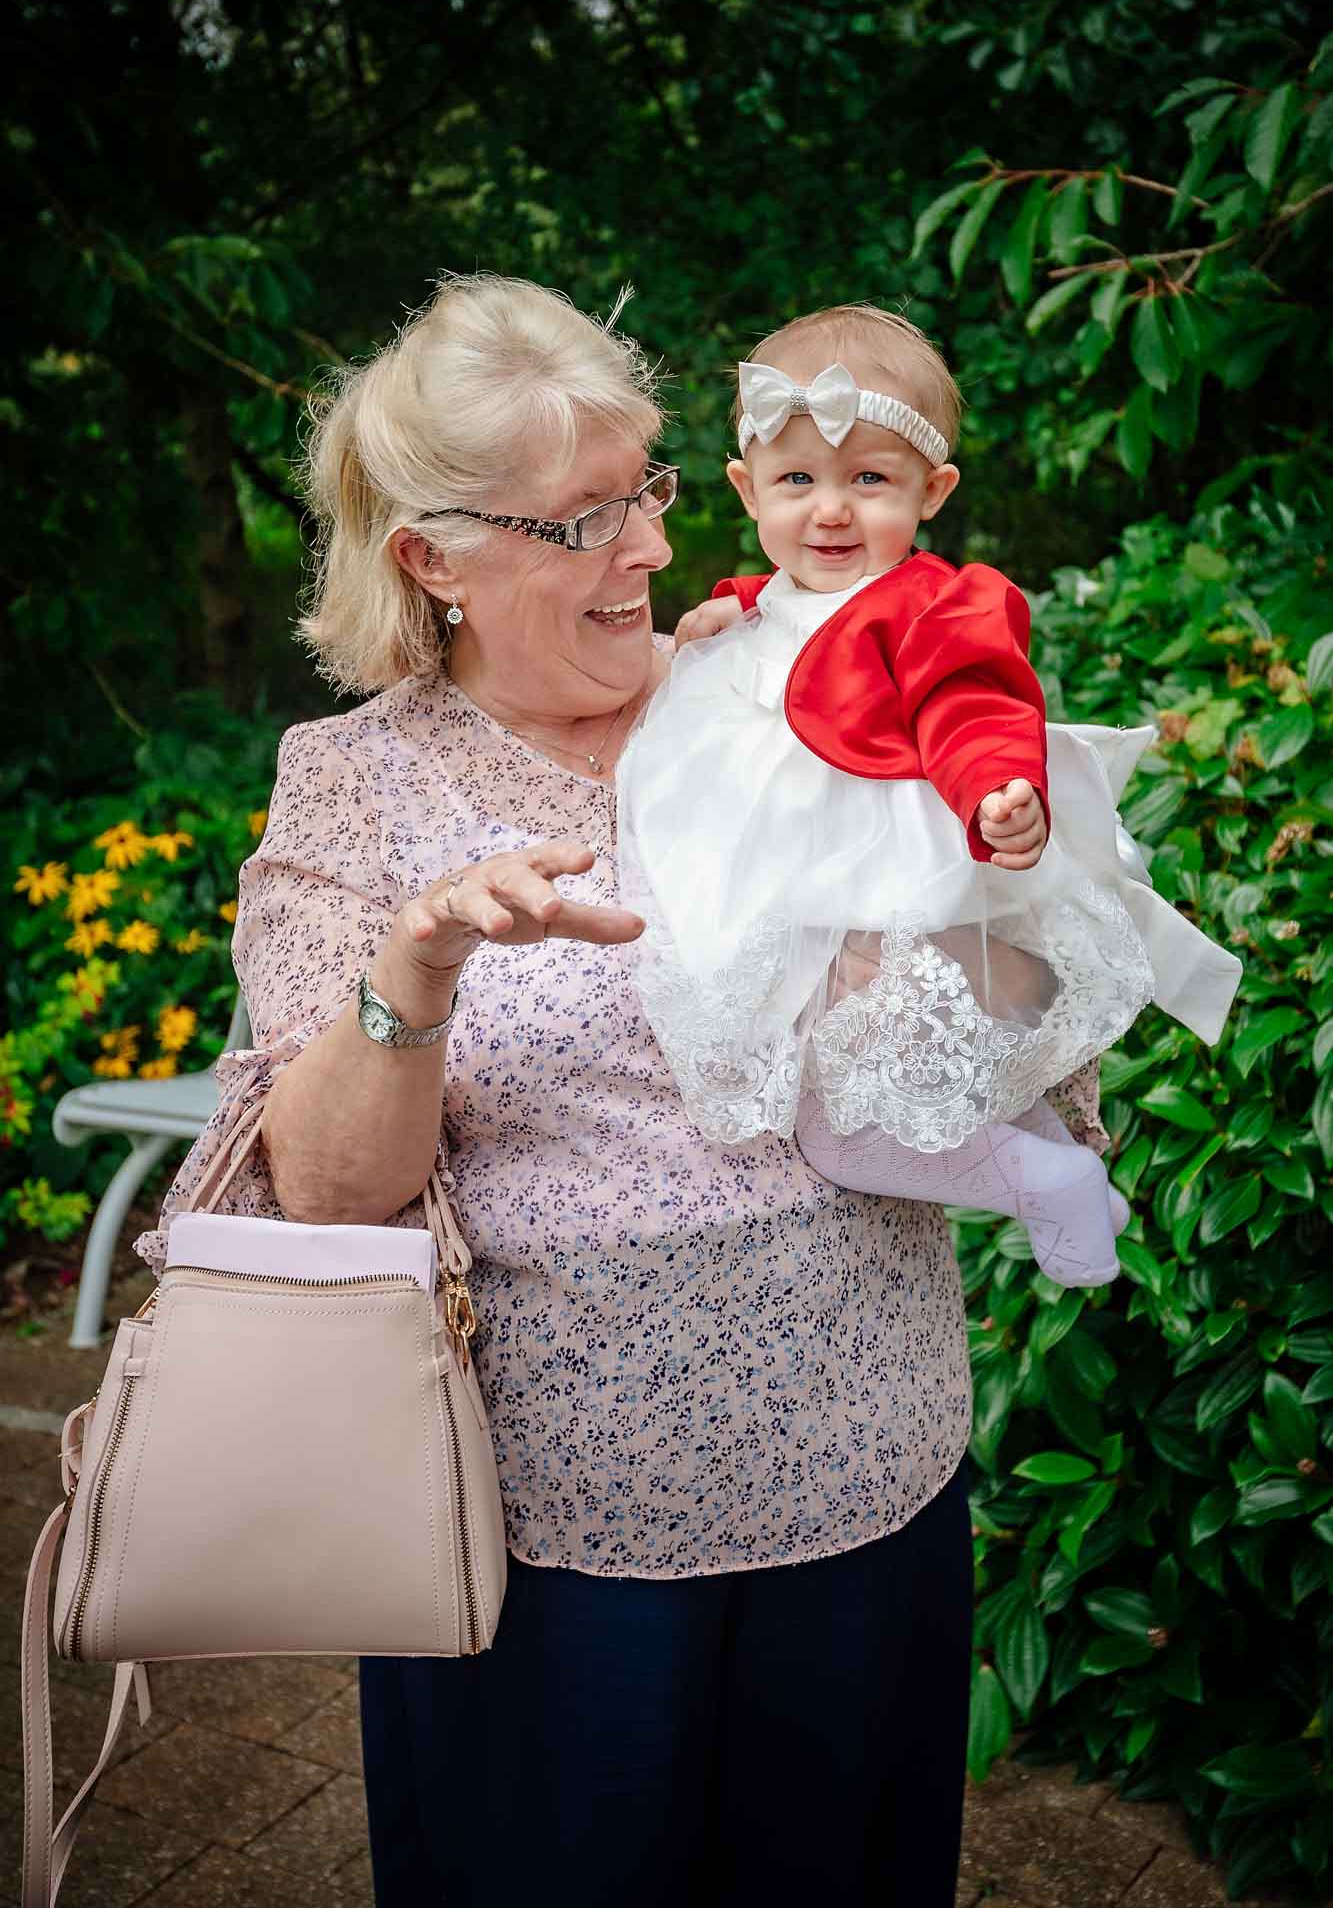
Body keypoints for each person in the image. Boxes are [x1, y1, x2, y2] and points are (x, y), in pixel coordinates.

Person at [136, 274, 1101, 1908]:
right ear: (429, 558)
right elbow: (330, 1196)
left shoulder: (788, 692)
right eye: (583, 520)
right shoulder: (352, 790)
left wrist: (987, 904)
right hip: (545, 1543)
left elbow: (1030, 1023)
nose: (649, 551)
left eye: (647, 490)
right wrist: (416, 964)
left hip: (864, 1480)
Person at [616, 304, 1241, 1289]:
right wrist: (734, 606)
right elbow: (790, 620)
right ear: (745, 488)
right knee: (934, 1088)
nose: (829, 510)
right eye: (796, 480)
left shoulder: (938, 605)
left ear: (931, 489)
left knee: (841, 1128)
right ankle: (1062, 1177)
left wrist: (1000, 787)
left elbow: (974, 705)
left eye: (868, 480)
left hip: (904, 889)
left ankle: (1048, 1180)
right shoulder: (771, 596)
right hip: (808, 886)